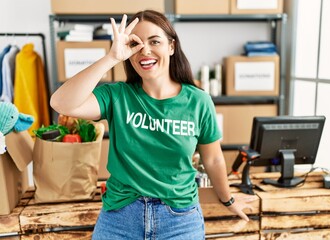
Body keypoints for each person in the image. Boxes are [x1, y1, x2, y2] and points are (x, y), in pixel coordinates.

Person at [50, 9, 256, 240]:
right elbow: (61, 103)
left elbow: (213, 159)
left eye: (154, 41)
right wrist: (111, 58)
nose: (145, 50)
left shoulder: (198, 101)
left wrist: (228, 199)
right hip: (120, 217)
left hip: (179, 219)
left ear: (171, 46)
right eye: (135, 44)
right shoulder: (117, 96)